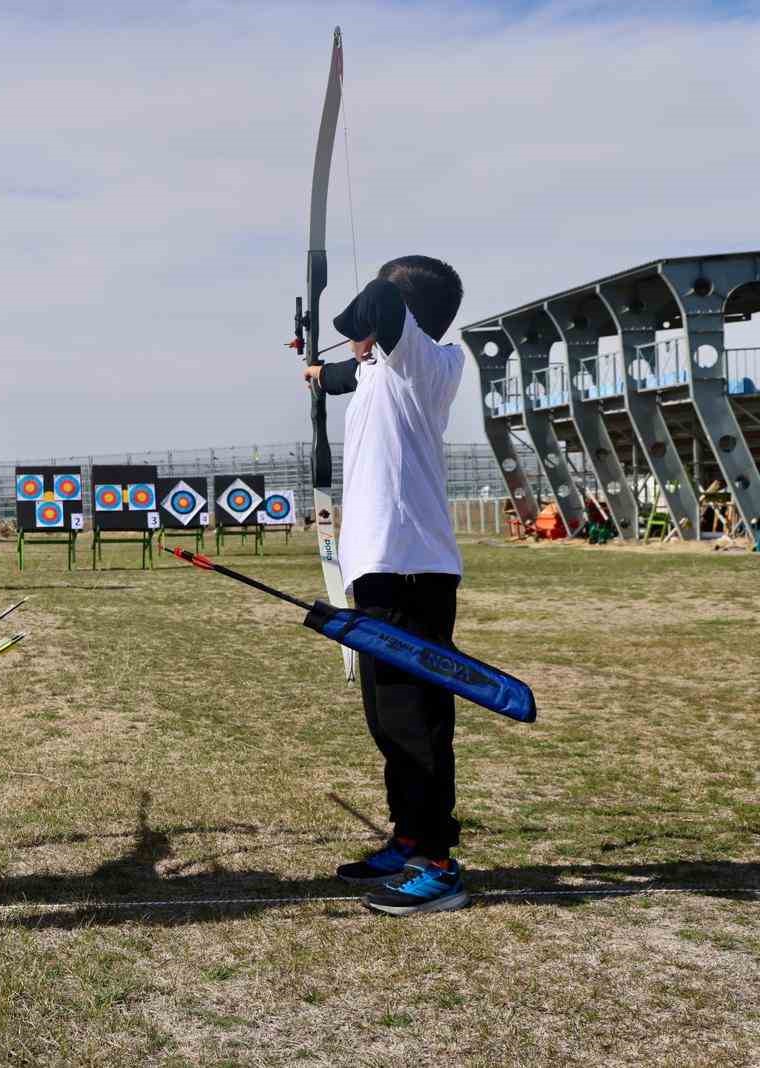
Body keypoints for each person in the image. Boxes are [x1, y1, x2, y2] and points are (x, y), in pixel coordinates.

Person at [304, 256, 471, 916]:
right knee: (386, 718)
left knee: (416, 720)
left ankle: (438, 864)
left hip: (412, 569)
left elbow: (379, 302)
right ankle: (408, 839)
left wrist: (356, 319)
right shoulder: (383, 368)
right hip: (379, 569)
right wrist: (321, 371)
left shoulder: (430, 362)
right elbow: (348, 374)